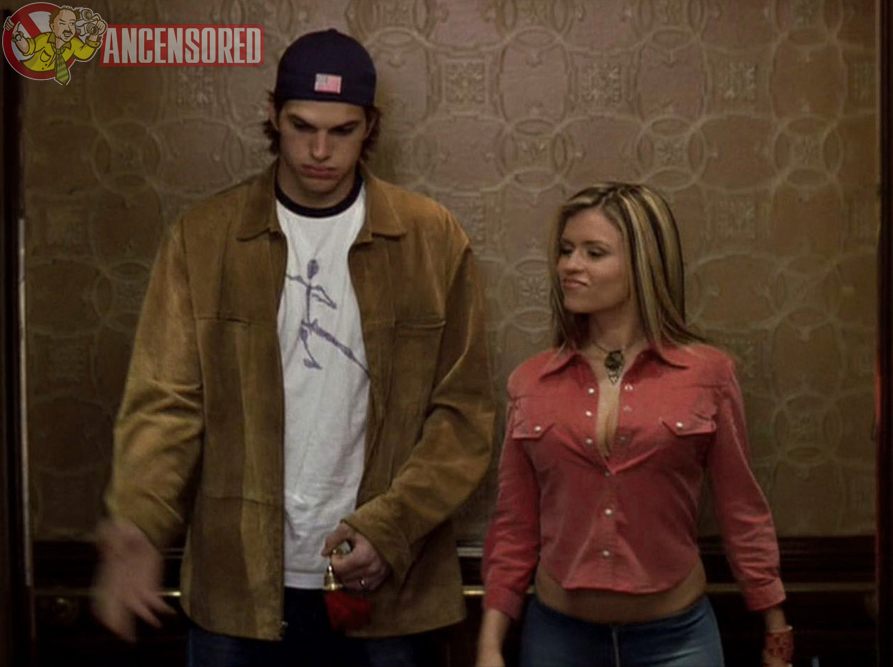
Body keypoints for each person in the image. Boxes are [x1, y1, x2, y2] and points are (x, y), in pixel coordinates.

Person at [92, 28, 495, 667]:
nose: (319, 150)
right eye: (302, 126)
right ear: (274, 116)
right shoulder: (206, 237)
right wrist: (138, 523)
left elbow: (464, 414)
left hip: (390, 592)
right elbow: (165, 402)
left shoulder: (431, 239)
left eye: (342, 131)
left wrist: (390, 528)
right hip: (238, 589)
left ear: (370, 127)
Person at [475, 183, 793, 667]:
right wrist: (489, 644)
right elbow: (514, 526)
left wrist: (775, 627)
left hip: (677, 641)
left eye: (593, 252)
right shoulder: (531, 381)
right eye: (565, 250)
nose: (569, 265)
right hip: (559, 638)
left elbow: (741, 509)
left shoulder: (708, 374)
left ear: (643, 263)